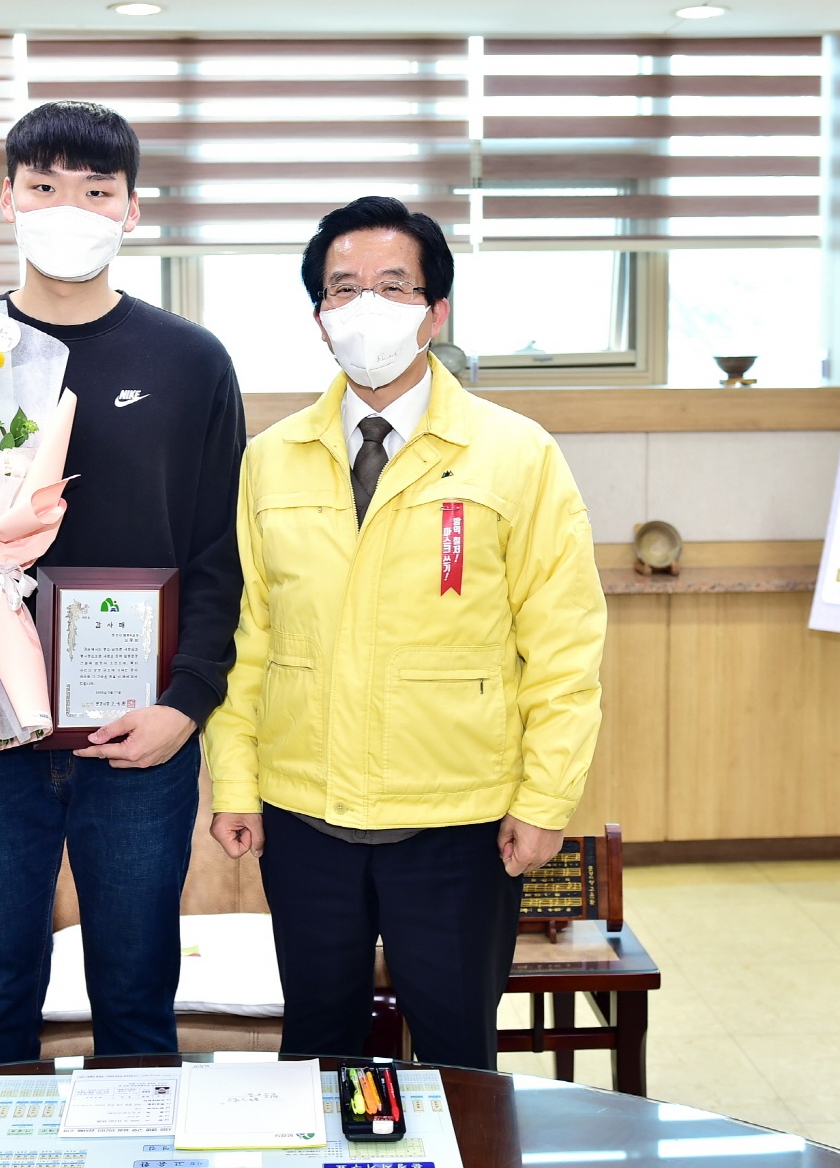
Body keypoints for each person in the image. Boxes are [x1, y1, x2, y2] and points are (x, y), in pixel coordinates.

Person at [0, 101, 245, 1068]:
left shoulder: (190, 360)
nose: (69, 208)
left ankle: (136, 1132)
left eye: (96, 190)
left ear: (132, 210)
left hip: (139, 732)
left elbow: (219, 549)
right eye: (44, 186)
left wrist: (187, 703)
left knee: (137, 991)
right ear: (8, 200)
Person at [204, 196, 606, 1070]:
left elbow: (564, 644)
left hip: (459, 818)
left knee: (458, 1054)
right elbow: (247, 640)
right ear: (319, 317)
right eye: (343, 288)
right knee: (318, 1049)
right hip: (306, 813)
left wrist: (545, 801)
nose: (366, 307)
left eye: (393, 286)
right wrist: (236, 782)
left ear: (436, 311)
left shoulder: (516, 453)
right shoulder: (270, 459)